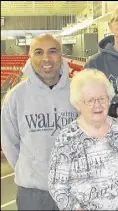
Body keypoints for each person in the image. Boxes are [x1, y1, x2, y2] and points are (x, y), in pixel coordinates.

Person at [1, 34, 78, 210]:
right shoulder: (15, 97)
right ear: (30, 57)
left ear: (61, 55)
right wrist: (31, 170)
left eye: (52, 51)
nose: (46, 58)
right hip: (33, 194)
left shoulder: (78, 91)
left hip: (73, 189)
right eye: (38, 52)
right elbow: (9, 143)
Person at [48, 69, 118, 210]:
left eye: (102, 98)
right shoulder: (67, 137)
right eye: (90, 100)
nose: (97, 105)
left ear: (109, 99)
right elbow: (57, 185)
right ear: (78, 103)